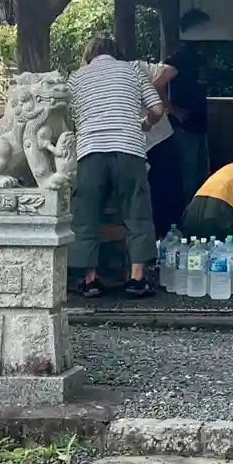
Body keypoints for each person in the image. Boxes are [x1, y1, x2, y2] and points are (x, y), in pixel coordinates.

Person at [69, 35, 163, 299]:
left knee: (86, 213)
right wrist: (145, 124)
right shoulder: (132, 70)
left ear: (88, 55)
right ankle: (137, 278)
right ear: (116, 52)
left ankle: (90, 280)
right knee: (136, 210)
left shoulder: (76, 77)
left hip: (90, 151)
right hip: (129, 149)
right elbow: (157, 109)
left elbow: (69, 117)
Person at [162, 19, 211, 206]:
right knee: (187, 176)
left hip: (200, 125)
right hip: (183, 126)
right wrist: (172, 109)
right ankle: (185, 215)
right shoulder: (177, 59)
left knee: (201, 174)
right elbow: (157, 83)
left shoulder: (202, 59)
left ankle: (198, 212)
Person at [139, 59, 185, 234]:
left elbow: (170, 70)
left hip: (159, 140)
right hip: (136, 145)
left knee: (167, 193)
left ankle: (170, 236)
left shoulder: (136, 67)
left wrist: (147, 89)